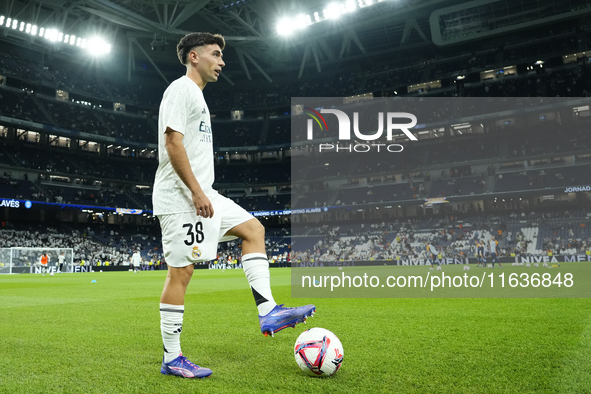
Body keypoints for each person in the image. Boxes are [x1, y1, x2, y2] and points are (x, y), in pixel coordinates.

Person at [152, 32, 315, 379]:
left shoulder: (196, 95)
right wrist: (196, 192)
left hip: (204, 194)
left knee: (254, 229)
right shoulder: (181, 89)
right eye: (215, 54)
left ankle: (268, 311)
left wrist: (203, 192)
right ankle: (171, 357)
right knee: (181, 273)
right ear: (193, 57)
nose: (222, 61)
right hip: (182, 199)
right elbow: (172, 143)